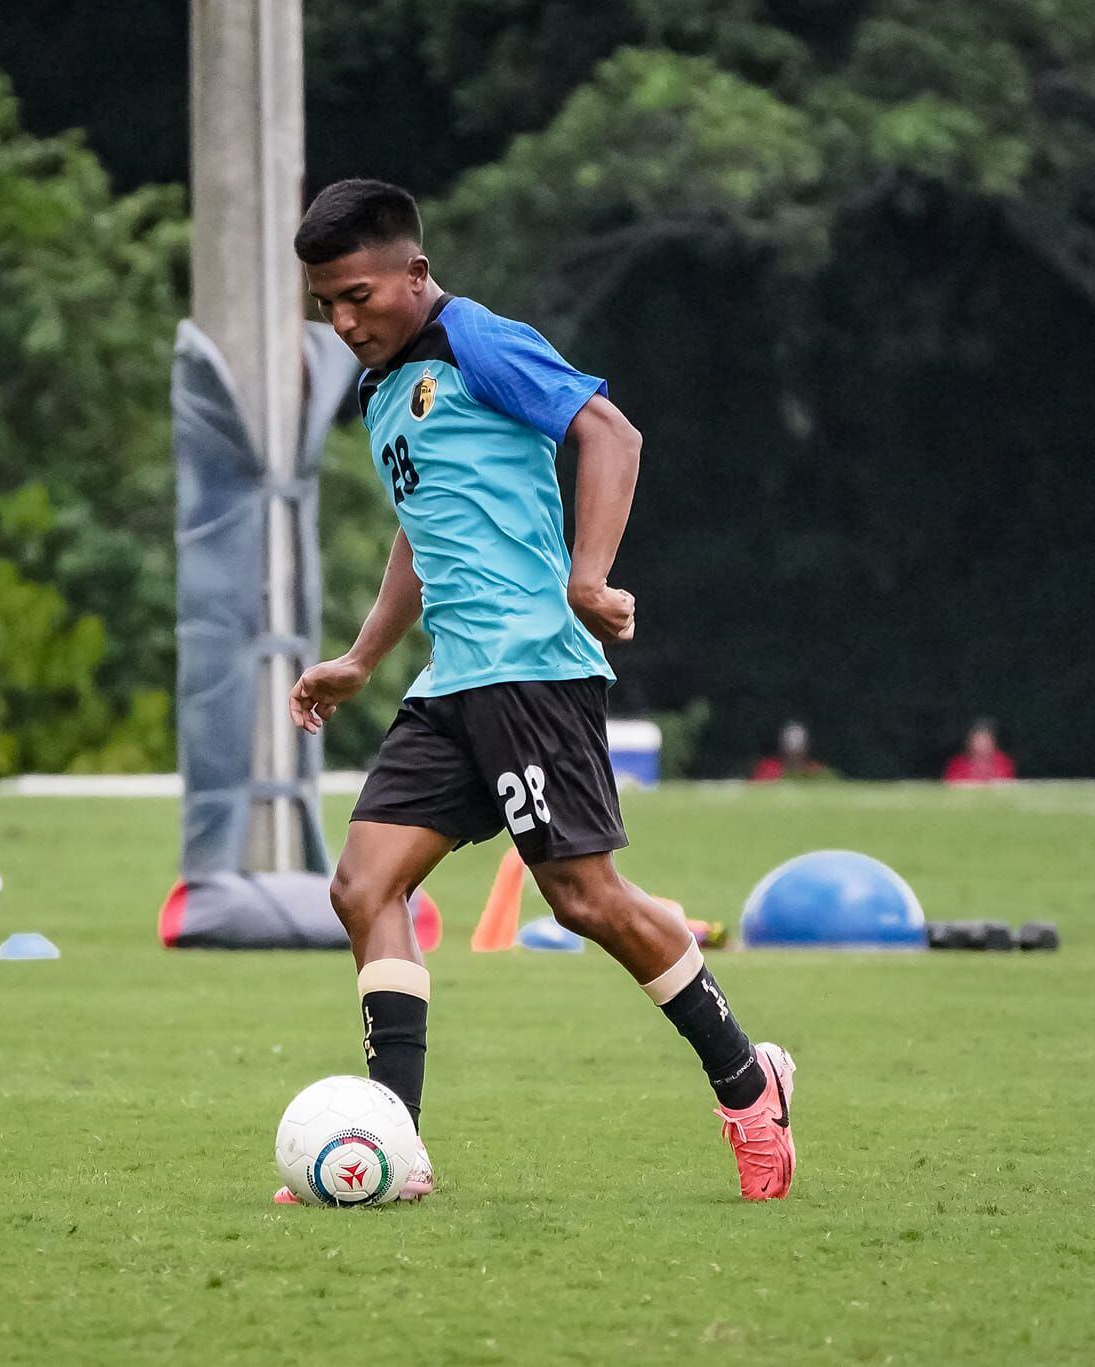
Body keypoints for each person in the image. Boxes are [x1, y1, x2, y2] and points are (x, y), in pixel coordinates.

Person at [283, 180, 796, 1203]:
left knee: (583, 897)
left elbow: (609, 433)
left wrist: (588, 576)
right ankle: (395, 1144)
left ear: (414, 276)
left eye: (356, 296)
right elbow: (421, 530)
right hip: (452, 681)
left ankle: (748, 1081)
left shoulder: (477, 337)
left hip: (530, 667)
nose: (341, 321)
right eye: (324, 306)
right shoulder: (388, 385)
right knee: (362, 887)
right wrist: (360, 656)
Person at [942, 719, 1016, 785]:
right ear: (969, 742)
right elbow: (950, 787)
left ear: (993, 742)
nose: (982, 744)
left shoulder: (1004, 763)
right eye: (977, 740)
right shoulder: (956, 764)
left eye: (985, 740)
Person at [750, 720, 827, 782]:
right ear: (781, 747)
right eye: (790, 751)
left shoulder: (815, 771)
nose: (794, 756)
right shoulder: (768, 769)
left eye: (798, 751)